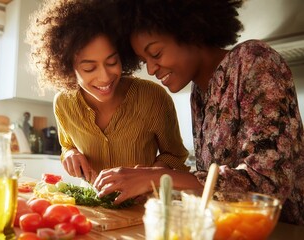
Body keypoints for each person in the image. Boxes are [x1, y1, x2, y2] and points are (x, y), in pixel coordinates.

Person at [93, 0, 304, 225]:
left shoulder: (254, 60)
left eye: (156, 53)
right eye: (145, 61)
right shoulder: (199, 92)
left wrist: (158, 178)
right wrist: (156, 186)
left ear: (190, 31)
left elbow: (267, 183)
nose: (151, 69)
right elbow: (214, 183)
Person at [26, 0, 189, 185]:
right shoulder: (64, 103)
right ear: (67, 68)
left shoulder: (153, 97)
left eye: (112, 63)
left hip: (142, 208)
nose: (105, 77)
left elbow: (175, 156)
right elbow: (67, 145)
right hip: (93, 207)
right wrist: (70, 154)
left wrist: (147, 176)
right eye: (89, 68)